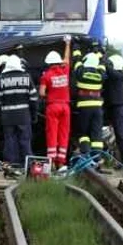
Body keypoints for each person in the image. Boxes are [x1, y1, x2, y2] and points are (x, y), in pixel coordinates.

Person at [0, 54, 38, 165]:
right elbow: (34, 98)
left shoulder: (1, 79)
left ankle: (12, 164)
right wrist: (34, 114)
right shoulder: (26, 77)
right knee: (25, 140)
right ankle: (28, 164)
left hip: (7, 117)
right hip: (24, 116)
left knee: (10, 141)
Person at [39, 35, 72, 169]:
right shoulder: (65, 71)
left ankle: (51, 162)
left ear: (48, 63)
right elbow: (67, 59)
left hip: (52, 107)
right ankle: (61, 162)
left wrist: (47, 95)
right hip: (65, 107)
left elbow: (41, 93)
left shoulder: (46, 75)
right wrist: (68, 44)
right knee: (64, 133)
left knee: (52, 133)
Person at [72, 44, 107, 156]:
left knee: (83, 133)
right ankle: (97, 158)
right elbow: (101, 62)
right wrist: (97, 51)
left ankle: (85, 154)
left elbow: (77, 61)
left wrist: (76, 48)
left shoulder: (81, 72)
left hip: (84, 108)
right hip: (98, 108)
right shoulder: (100, 74)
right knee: (96, 134)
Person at [104, 54, 123, 168]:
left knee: (122, 136)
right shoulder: (115, 77)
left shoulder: (120, 76)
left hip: (119, 110)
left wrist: (104, 62)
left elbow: (110, 72)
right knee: (122, 136)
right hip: (118, 110)